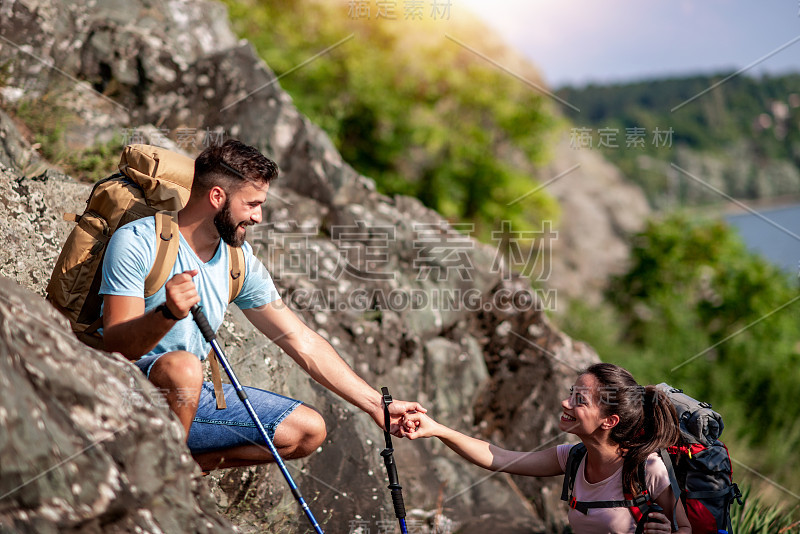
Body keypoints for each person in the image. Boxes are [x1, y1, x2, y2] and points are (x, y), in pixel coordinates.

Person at [100, 139, 425, 472]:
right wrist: (166, 314)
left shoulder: (237, 262)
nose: (258, 217)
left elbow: (299, 339)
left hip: (188, 398)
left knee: (307, 431)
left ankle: (186, 471)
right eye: (252, 204)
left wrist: (376, 404)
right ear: (217, 197)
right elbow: (116, 346)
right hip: (127, 391)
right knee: (184, 368)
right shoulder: (138, 240)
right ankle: (163, 482)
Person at [402, 363, 691, 534]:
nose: (566, 404)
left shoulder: (646, 469)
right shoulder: (572, 458)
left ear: (609, 421)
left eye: (580, 400)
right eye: (570, 394)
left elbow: (686, 528)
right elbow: (499, 458)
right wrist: (437, 429)